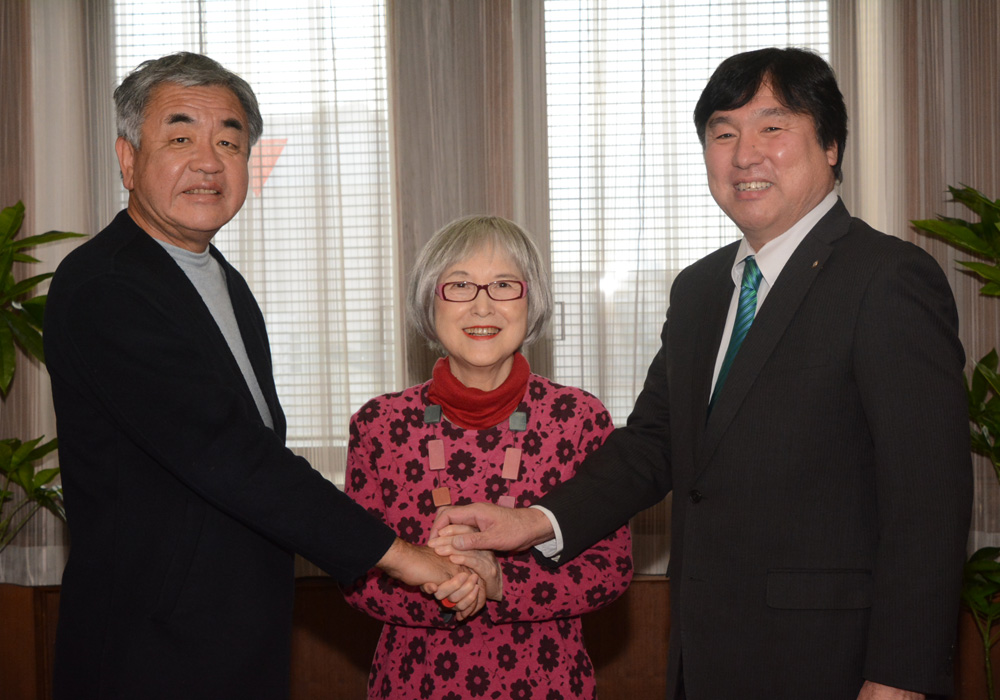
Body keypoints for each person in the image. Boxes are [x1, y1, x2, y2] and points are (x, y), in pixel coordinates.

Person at [430, 48, 973, 700]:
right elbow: (655, 442)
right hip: (707, 654)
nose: (744, 155)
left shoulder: (887, 279)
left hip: (834, 663)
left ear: (830, 145)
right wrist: (536, 521)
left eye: (773, 127)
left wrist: (899, 680)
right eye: (723, 132)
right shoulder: (701, 288)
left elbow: (929, 502)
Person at [44, 52, 480, 700]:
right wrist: (403, 556)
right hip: (150, 647)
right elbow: (229, 454)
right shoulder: (106, 288)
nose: (208, 160)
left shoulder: (219, 278)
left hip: (233, 630)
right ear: (128, 159)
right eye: (181, 136)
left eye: (229, 140)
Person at [342, 215, 632, 699]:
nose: (482, 305)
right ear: (429, 302)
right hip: (415, 684)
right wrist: (447, 588)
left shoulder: (579, 419)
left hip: (547, 684)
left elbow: (610, 569)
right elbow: (356, 574)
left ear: (530, 300)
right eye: (458, 285)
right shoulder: (379, 425)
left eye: (503, 285)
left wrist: (501, 584)